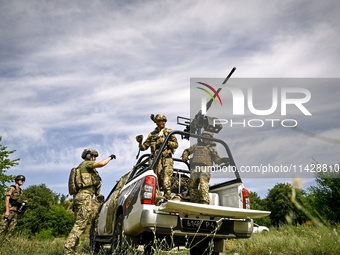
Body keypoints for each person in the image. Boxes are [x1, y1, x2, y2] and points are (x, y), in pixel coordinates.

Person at [64, 148, 115, 255]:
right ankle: (68, 251)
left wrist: (97, 195)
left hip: (83, 197)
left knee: (81, 224)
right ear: (88, 156)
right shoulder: (86, 164)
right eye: (93, 156)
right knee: (79, 225)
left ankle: (72, 251)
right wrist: (110, 157)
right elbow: (101, 164)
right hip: (84, 197)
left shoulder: (85, 168)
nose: (95, 158)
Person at [136, 114, 178, 200]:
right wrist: (140, 143)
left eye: (164, 121)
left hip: (167, 160)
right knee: (155, 182)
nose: (163, 122)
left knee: (166, 182)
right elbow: (144, 147)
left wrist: (166, 142)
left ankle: (167, 199)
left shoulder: (169, 132)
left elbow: (176, 145)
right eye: (161, 121)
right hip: (155, 161)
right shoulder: (152, 135)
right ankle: (157, 200)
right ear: (156, 122)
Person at [181, 131, 228, 204]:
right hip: (195, 168)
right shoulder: (196, 146)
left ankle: (204, 201)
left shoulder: (212, 149)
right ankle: (195, 201)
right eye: (204, 137)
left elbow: (217, 160)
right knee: (192, 185)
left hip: (205, 168)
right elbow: (187, 150)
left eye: (207, 137)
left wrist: (223, 160)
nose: (205, 139)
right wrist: (185, 155)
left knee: (203, 183)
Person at [0, 175, 27, 243]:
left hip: (16, 211)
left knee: (11, 229)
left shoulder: (21, 191)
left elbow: (18, 200)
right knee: (2, 227)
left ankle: (5, 244)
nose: (22, 182)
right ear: (17, 180)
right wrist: (7, 211)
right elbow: (7, 199)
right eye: (21, 180)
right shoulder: (12, 188)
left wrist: (23, 201)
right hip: (10, 210)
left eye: (23, 181)